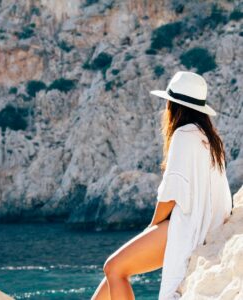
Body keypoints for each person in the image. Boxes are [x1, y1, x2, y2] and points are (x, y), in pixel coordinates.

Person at [91, 71, 233, 300]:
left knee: (113, 269)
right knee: (113, 272)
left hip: (184, 227)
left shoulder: (183, 135)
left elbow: (171, 193)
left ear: (174, 106)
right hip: (204, 227)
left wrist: (152, 225)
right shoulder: (210, 139)